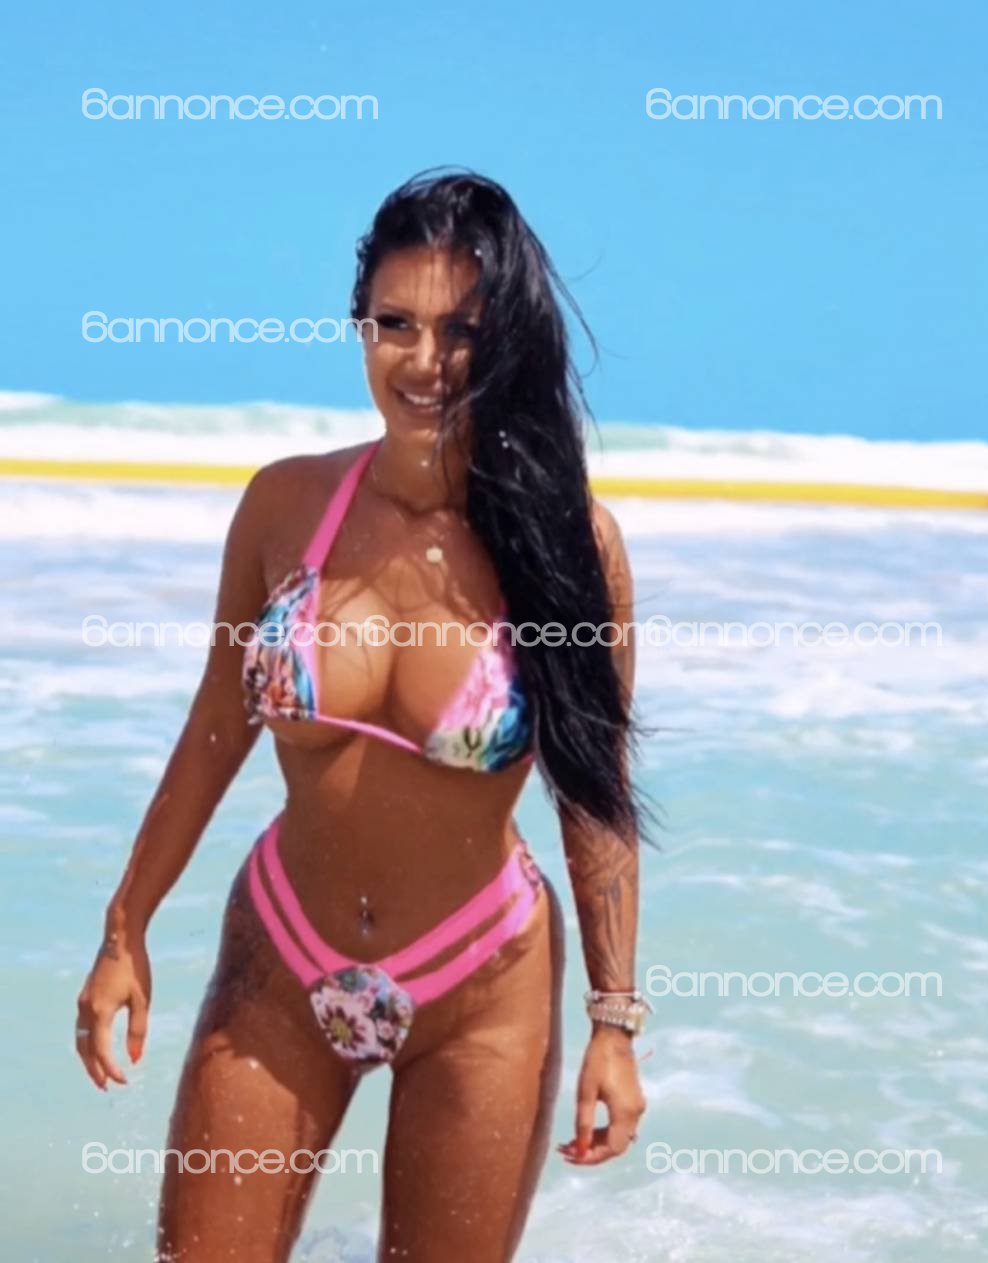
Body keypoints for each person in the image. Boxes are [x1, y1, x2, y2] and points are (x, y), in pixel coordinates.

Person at [74, 169, 649, 1263]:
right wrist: (124, 928)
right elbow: (215, 725)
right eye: (396, 324)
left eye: (462, 331)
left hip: (481, 980)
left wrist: (613, 1022)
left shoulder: (570, 546)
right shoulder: (286, 506)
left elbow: (596, 799)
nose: (424, 361)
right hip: (282, 954)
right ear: (360, 325)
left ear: (509, 339)